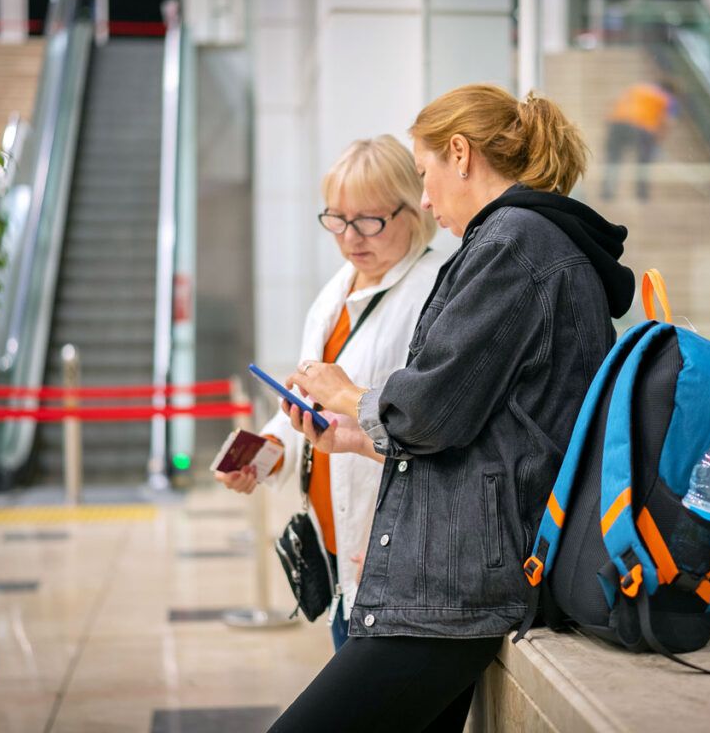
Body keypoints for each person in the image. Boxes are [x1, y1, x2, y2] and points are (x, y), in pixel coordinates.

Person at [267, 84, 635, 732]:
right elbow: (484, 419)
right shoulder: (527, 242)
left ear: (460, 154)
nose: (428, 198)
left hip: (456, 584)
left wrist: (345, 393)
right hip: (459, 571)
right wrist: (359, 436)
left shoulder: (514, 245)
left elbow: (431, 410)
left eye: (425, 173)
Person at [215, 135, 445, 651]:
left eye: (368, 220)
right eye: (337, 220)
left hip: (393, 548)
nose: (350, 237)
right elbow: (309, 407)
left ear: (414, 209)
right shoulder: (336, 291)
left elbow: (424, 420)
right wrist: (266, 454)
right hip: (337, 546)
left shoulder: (434, 289)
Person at [600, 80, 678, 201]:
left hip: (617, 123)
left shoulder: (638, 89)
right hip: (642, 127)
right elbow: (668, 122)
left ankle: (608, 191)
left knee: (613, 158)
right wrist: (658, 140)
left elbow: (617, 103)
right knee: (643, 161)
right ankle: (641, 193)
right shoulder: (667, 99)